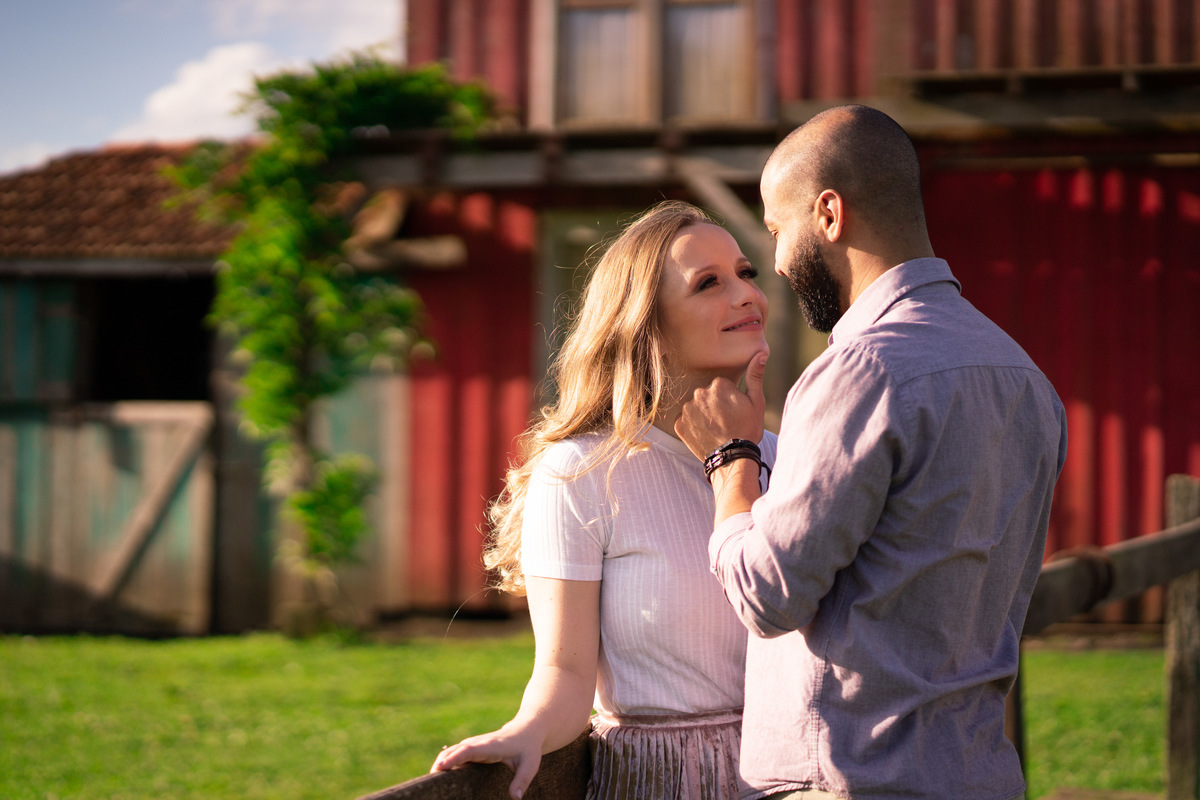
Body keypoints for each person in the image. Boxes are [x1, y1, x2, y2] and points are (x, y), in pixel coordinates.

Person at [674, 105, 1068, 799]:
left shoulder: (862, 371)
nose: (774, 262)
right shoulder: (1024, 375)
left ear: (827, 214)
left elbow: (769, 594)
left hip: (852, 778)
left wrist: (732, 463)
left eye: (774, 230)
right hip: (978, 775)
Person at [432, 200, 778, 800]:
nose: (747, 295)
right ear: (646, 325)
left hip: (792, 776)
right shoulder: (581, 472)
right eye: (709, 283)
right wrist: (525, 731)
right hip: (655, 782)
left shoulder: (793, 454)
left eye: (746, 273)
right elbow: (563, 674)